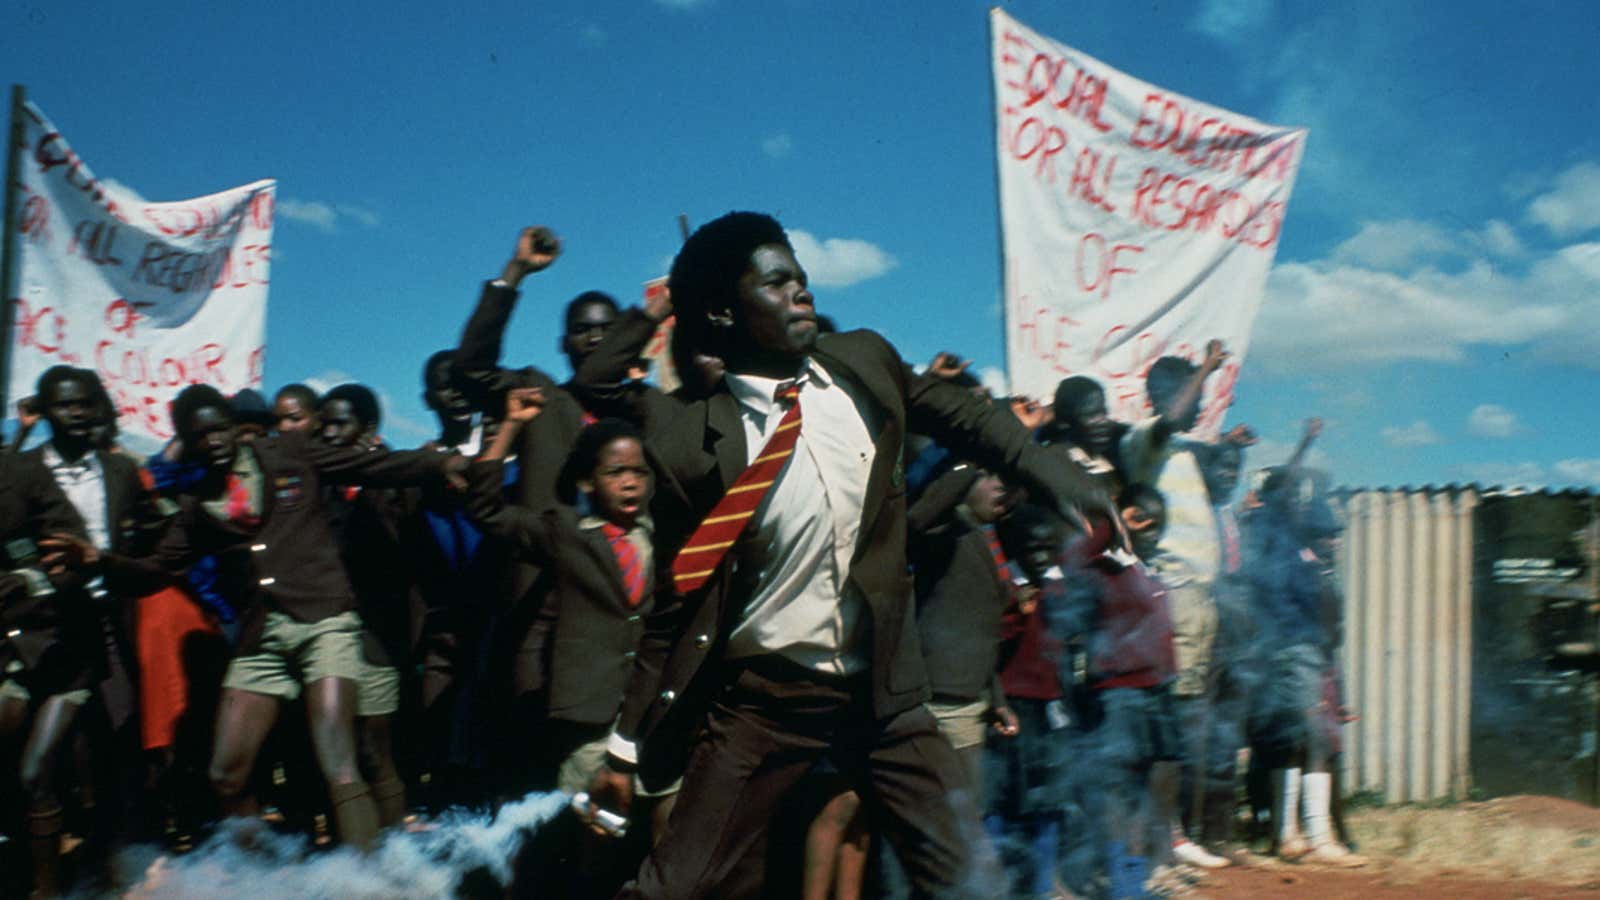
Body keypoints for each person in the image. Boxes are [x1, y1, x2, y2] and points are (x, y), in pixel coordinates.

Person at [577, 211, 1107, 898]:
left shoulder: (864, 364)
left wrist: (1057, 473)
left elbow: (966, 416)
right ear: (723, 312)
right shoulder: (691, 444)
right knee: (677, 887)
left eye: (799, 275)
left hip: (882, 697)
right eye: (775, 283)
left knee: (971, 881)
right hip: (763, 704)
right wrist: (624, 748)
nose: (801, 290)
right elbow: (673, 606)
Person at [95, 384, 457, 850]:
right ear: (187, 440)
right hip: (260, 638)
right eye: (199, 435)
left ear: (232, 427)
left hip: (323, 620)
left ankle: (370, 882)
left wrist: (441, 463)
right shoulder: (196, 504)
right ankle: (266, 878)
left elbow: (373, 466)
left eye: (219, 429)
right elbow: (155, 571)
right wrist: (96, 562)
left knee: (339, 760)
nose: (214, 441)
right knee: (227, 774)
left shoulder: (288, 452)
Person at [468, 389, 672, 896]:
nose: (629, 483)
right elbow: (486, 509)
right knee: (596, 839)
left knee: (667, 831)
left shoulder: (668, 537)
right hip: (590, 715)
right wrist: (509, 428)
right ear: (588, 481)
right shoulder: (567, 533)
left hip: (653, 715)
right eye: (614, 472)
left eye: (639, 473)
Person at [315, 383, 415, 829]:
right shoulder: (316, 485)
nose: (331, 434)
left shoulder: (397, 480)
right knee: (338, 751)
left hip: (377, 632)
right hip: (325, 630)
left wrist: (376, 476)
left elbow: (403, 546)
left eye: (342, 423)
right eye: (325, 425)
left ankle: (392, 854)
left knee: (377, 750)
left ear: (368, 428)